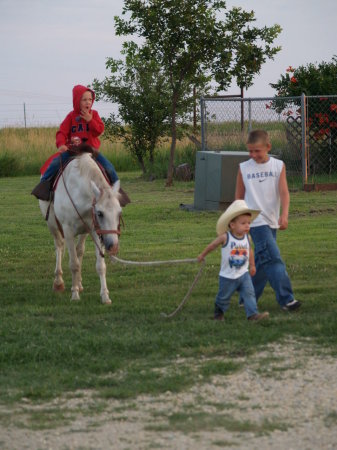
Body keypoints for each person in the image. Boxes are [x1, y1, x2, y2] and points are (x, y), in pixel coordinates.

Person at [235, 129, 301, 311]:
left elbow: (284, 192)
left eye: (257, 150)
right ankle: (287, 300)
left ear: (268, 147)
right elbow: (238, 198)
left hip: (272, 221)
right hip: (254, 222)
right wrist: (237, 224)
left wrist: (284, 214)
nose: (253, 155)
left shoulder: (278, 166)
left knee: (263, 263)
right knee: (273, 259)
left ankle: (247, 297)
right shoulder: (244, 168)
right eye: (250, 151)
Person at [32, 85, 119, 201]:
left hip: (90, 151)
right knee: (55, 163)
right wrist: (61, 144)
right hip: (73, 150)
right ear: (77, 101)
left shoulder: (95, 115)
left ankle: (116, 192)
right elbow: (61, 132)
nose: (88, 102)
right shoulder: (71, 117)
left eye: (90, 99)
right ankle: (44, 187)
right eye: (84, 100)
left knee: (109, 167)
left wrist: (90, 120)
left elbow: (99, 130)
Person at [198, 199, 270, 322]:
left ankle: (252, 315)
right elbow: (212, 245)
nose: (247, 225)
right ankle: (218, 314)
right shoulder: (225, 237)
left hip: (243, 274)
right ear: (232, 225)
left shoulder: (247, 238)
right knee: (223, 297)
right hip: (227, 276)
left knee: (249, 293)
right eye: (243, 223)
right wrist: (202, 255)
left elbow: (250, 251)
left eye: (248, 223)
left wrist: (252, 265)